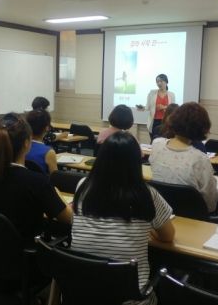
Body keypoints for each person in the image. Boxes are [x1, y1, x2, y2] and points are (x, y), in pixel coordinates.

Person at [71, 131, 174, 305]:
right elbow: (168, 236)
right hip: (129, 300)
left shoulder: (83, 186)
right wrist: (148, 230)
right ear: (136, 163)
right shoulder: (147, 194)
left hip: (80, 293)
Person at [0, 113, 72, 244]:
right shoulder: (37, 181)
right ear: (27, 143)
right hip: (25, 255)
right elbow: (69, 218)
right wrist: (58, 194)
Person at [149, 102, 218, 212]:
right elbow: (210, 205)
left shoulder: (157, 145)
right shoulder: (200, 159)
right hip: (193, 220)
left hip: (160, 214)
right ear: (202, 128)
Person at [144, 74, 175, 142]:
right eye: (157, 81)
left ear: (166, 82)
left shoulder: (171, 95)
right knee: (154, 141)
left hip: (166, 121)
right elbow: (148, 107)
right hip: (154, 121)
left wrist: (164, 107)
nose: (159, 83)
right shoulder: (152, 93)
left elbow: (173, 109)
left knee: (165, 141)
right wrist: (142, 107)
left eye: (161, 81)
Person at [25, 109, 58, 174]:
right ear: (47, 128)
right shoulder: (48, 152)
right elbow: (55, 179)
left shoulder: (20, 147)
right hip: (41, 183)